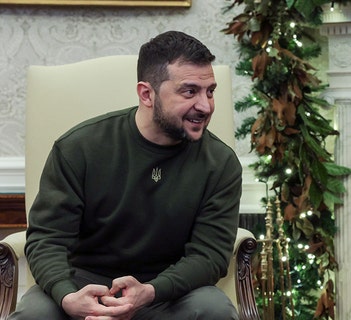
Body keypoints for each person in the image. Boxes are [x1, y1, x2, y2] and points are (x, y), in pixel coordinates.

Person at [10, 30, 242, 320]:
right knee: (34, 314)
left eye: (210, 91)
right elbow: (47, 239)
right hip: (83, 286)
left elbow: (209, 255)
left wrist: (152, 290)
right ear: (147, 94)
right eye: (189, 91)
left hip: (166, 293)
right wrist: (67, 295)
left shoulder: (220, 163)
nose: (206, 106)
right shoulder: (79, 148)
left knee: (214, 309)